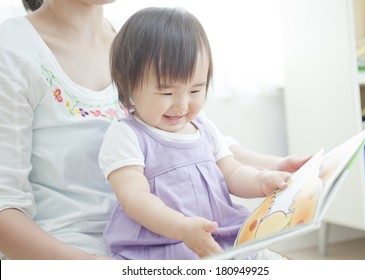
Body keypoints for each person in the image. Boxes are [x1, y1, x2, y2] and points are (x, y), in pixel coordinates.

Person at [0, 0, 308, 260]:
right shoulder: (12, 50)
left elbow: (200, 140)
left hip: (181, 236)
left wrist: (274, 169)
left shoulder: (139, 40)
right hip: (80, 250)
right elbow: (5, 208)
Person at [98, 7, 293, 260]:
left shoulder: (205, 128)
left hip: (219, 236)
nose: (181, 105)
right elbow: (134, 198)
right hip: (162, 245)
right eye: (167, 93)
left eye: (195, 90)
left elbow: (232, 172)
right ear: (128, 84)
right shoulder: (126, 135)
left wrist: (261, 180)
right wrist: (181, 228)